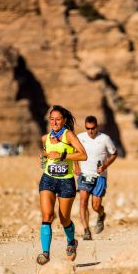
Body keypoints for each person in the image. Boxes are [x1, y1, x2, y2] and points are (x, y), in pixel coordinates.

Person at [36, 105, 87, 265]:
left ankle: (71, 242)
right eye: (52, 119)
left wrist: (62, 154)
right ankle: (45, 253)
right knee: (47, 216)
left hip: (66, 181)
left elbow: (83, 155)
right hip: (48, 179)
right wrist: (44, 157)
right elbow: (46, 153)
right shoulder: (45, 138)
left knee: (64, 219)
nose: (54, 122)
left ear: (64, 120)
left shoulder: (69, 135)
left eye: (58, 119)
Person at [74, 116, 117, 240]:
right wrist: (76, 166)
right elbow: (75, 153)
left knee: (95, 206)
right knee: (83, 202)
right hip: (85, 175)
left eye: (92, 128)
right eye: (88, 128)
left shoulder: (105, 139)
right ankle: (86, 231)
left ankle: (101, 214)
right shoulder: (80, 137)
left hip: (100, 176)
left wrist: (105, 165)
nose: (90, 131)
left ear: (96, 127)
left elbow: (114, 154)